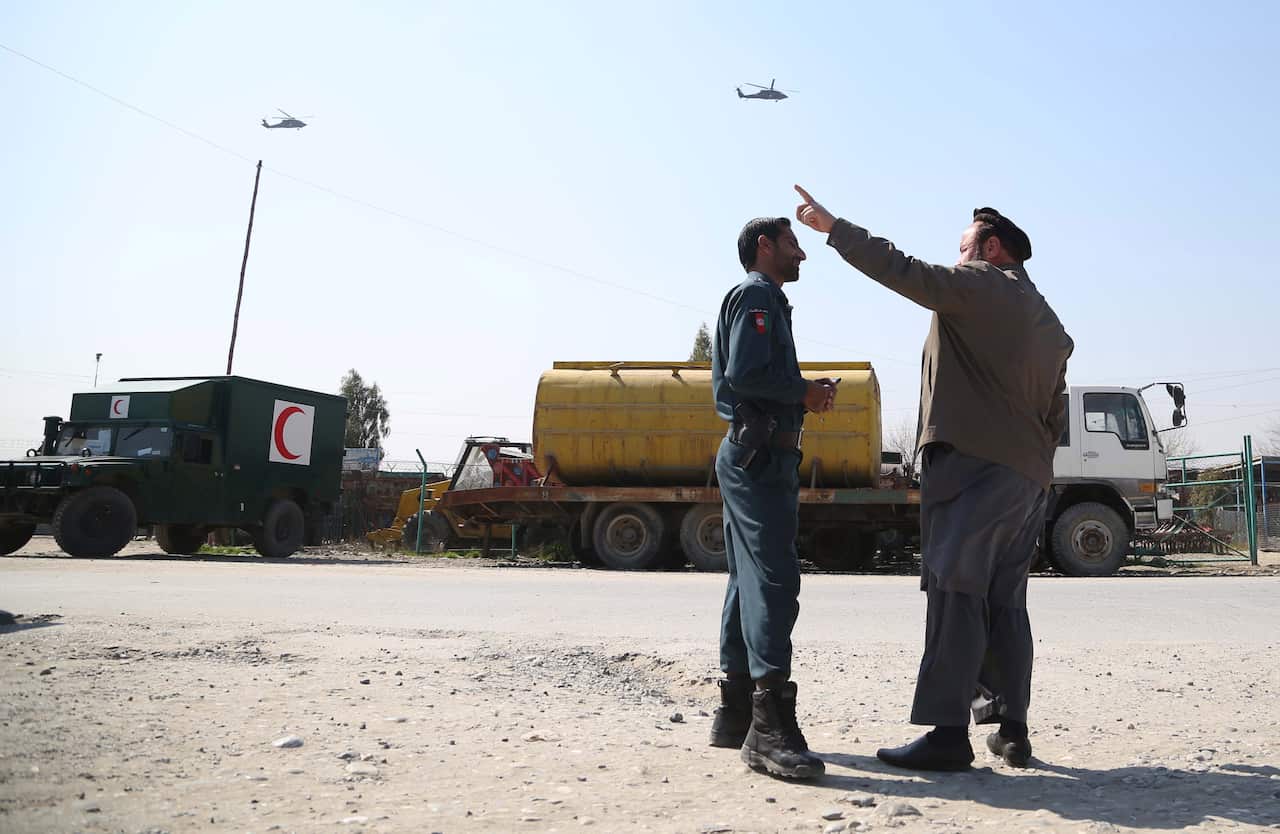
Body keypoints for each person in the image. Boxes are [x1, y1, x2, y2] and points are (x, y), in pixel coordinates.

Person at [794, 186, 1073, 771]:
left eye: (964, 245)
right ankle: (1012, 729)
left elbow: (905, 271)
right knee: (1006, 603)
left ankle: (948, 735)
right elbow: (1056, 417)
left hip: (973, 469)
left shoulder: (981, 284)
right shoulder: (1048, 320)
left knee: (954, 593)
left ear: (991, 249)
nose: (957, 255)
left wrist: (834, 228)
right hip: (1028, 480)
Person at [709, 216, 836, 779]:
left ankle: (735, 713)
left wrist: (804, 392)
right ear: (766, 246)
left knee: (746, 578)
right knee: (775, 579)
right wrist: (804, 392)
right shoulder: (756, 294)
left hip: (756, 454)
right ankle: (768, 726)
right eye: (793, 243)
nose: (802, 253)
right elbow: (744, 373)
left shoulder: (767, 300)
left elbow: (758, 375)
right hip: (759, 458)